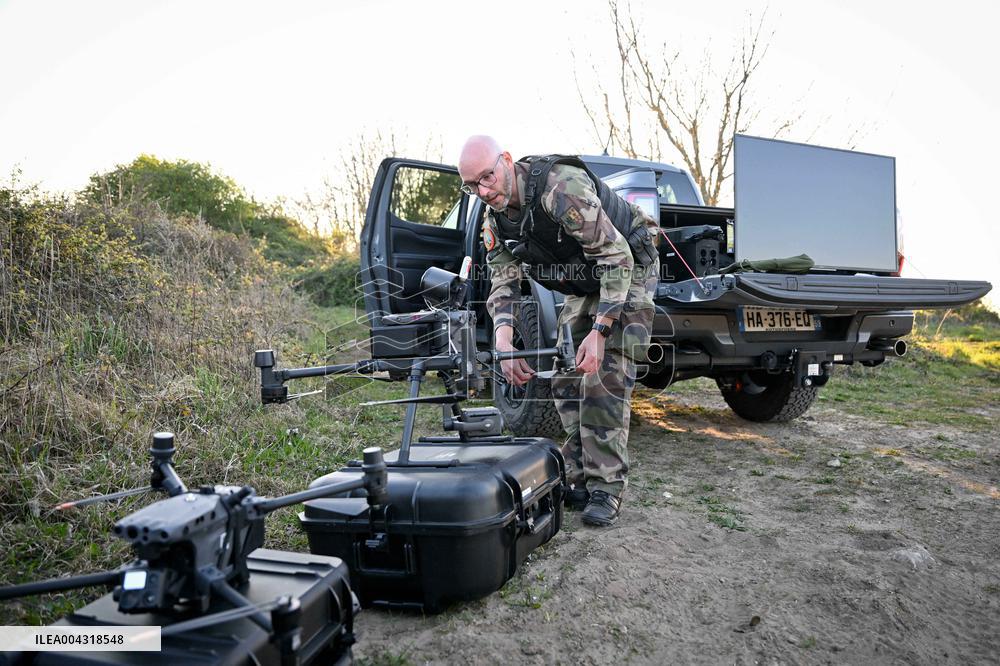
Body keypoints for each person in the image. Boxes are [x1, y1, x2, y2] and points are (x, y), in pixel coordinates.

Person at [457, 135, 659, 527]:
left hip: (629, 263)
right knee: (568, 372)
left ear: (506, 160)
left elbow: (616, 256)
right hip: (585, 276)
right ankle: (579, 474)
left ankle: (607, 487)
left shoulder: (560, 188)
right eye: (471, 186)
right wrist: (503, 341)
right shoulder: (495, 218)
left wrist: (600, 331)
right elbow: (503, 282)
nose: (483, 191)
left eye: (487, 177)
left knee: (604, 372)